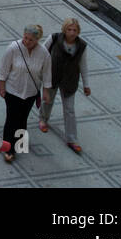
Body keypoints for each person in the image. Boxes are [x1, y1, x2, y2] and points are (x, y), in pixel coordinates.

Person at [0, 24, 53, 162]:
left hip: (31, 92)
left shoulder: (43, 53)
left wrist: (46, 91)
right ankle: (8, 148)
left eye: (31, 40)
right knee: (11, 119)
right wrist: (2, 85)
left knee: (23, 119)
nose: (27, 41)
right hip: (13, 90)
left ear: (37, 40)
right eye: (25, 38)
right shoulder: (13, 48)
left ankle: (20, 144)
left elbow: (47, 73)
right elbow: (4, 68)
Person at [41, 18, 89, 154]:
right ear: (64, 29)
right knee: (47, 100)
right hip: (53, 76)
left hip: (70, 81)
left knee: (70, 110)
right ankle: (43, 119)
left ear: (78, 31)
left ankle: (72, 139)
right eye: (69, 29)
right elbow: (43, 53)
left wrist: (86, 85)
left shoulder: (82, 46)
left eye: (75, 30)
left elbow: (83, 66)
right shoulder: (54, 38)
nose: (72, 33)